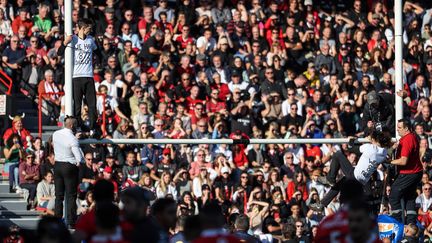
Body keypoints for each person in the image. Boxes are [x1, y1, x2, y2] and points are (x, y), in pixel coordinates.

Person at [316, 129, 392, 207]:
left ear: (375, 140)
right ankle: (321, 204)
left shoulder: (370, 148)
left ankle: (330, 179)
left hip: (354, 175)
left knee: (337, 155)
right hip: (362, 181)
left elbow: (351, 148)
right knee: (340, 184)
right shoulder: (383, 153)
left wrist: (351, 140)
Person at [57, 19, 99, 137]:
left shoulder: (90, 40)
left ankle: (93, 128)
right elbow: (59, 53)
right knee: (77, 105)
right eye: (88, 28)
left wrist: (98, 63)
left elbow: (98, 52)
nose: (90, 30)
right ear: (82, 28)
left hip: (89, 76)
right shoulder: (73, 39)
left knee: (92, 105)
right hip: (76, 77)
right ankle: (78, 127)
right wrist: (65, 42)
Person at [52, 116, 84, 228]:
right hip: (69, 166)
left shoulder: (55, 134)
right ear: (72, 125)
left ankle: (57, 221)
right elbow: (79, 158)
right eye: (75, 125)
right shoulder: (72, 138)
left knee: (58, 196)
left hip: (57, 165)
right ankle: (71, 221)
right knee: (71, 196)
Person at [389, 119, 423, 224]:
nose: (397, 130)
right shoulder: (411, 137)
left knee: (394, 196)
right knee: (409, 197)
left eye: (399, 128)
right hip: (415, 172)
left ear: (406, 129)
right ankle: (411, 225)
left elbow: (403, 161)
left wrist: (390, 161)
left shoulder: (408, 139)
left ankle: (397, 223)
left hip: (409, 173)